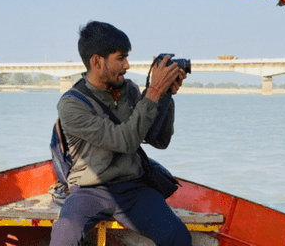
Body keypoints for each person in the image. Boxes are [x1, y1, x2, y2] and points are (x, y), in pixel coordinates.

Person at [50, 21, 192, 246]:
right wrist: (154, 91)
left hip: (133, 188)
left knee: (178, 236)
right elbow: (124, 141)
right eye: (120, 58)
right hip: (89, 190)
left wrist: (165, 96)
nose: (127, 65)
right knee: (63, 236)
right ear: (96, 61)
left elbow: (159, 140)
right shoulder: (71, 105)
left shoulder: (130, 91)